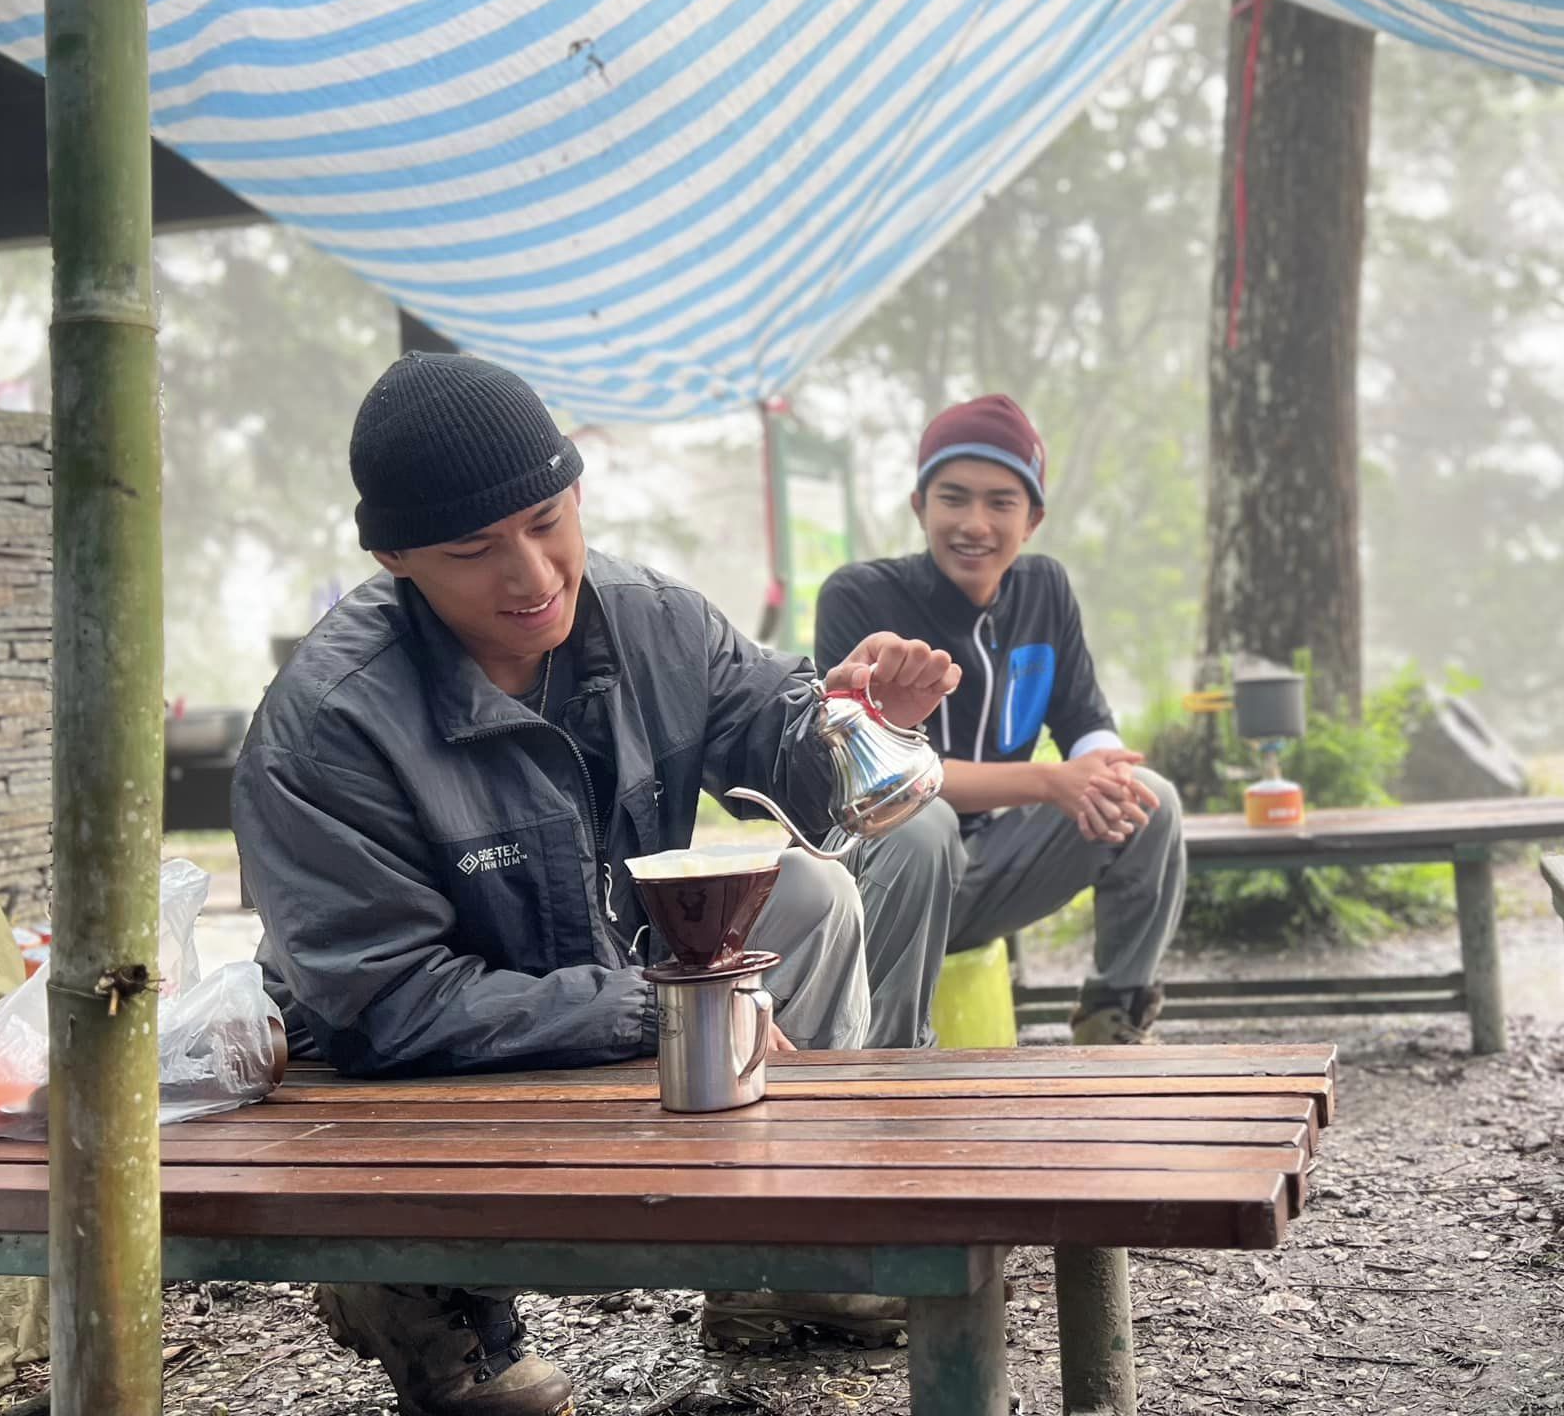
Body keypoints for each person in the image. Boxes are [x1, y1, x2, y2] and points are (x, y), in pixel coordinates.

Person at [232, 352, 958, 1416]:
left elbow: (768, 719)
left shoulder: (652, 620)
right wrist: (658, 1007)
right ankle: (424, 1299)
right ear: (394, 559)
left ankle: (797, 1249)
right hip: (395, 1050)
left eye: (545, 519)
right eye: (472, 550)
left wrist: (848, 717)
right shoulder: (327, 727)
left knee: (810, 896)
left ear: (577, 494)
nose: (529, 576)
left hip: (595, 969)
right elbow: (383, 1001)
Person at [817, 394, 1186, 1049]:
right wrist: (1050, 782)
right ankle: (887, 1059)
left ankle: (1112, 1018)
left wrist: (1105, 775)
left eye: (1001, 502)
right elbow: (877, 782)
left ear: (1034, 519)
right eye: (953, 498)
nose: (975, 524)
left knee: (1151, 798)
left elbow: (1084, 717)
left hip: (989, 870)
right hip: (879, 879)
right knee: (920, 824)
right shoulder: (860, 597)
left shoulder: (1045, 590)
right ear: (919, 506)